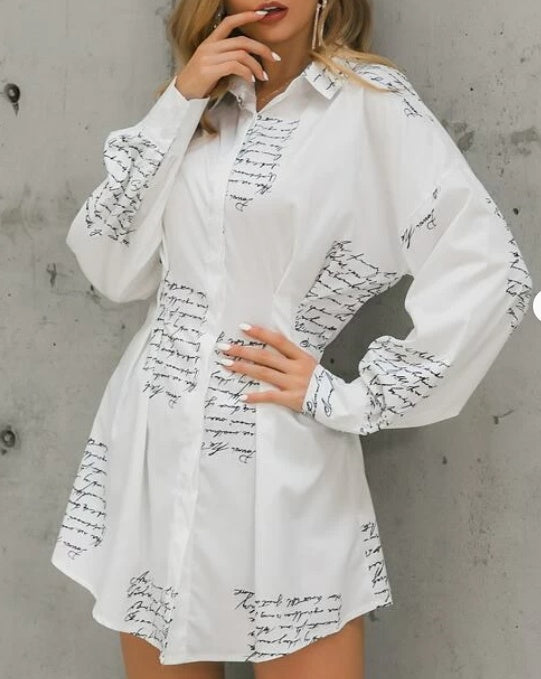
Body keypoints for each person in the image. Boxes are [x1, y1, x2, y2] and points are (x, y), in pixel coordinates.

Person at [50, 1, 533, 678]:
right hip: (154, 440)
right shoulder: (200, 106)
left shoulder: (370, 104)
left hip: (280, 445)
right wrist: (180, 100)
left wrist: (351, 396)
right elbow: (109, 266)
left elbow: (489, 269)